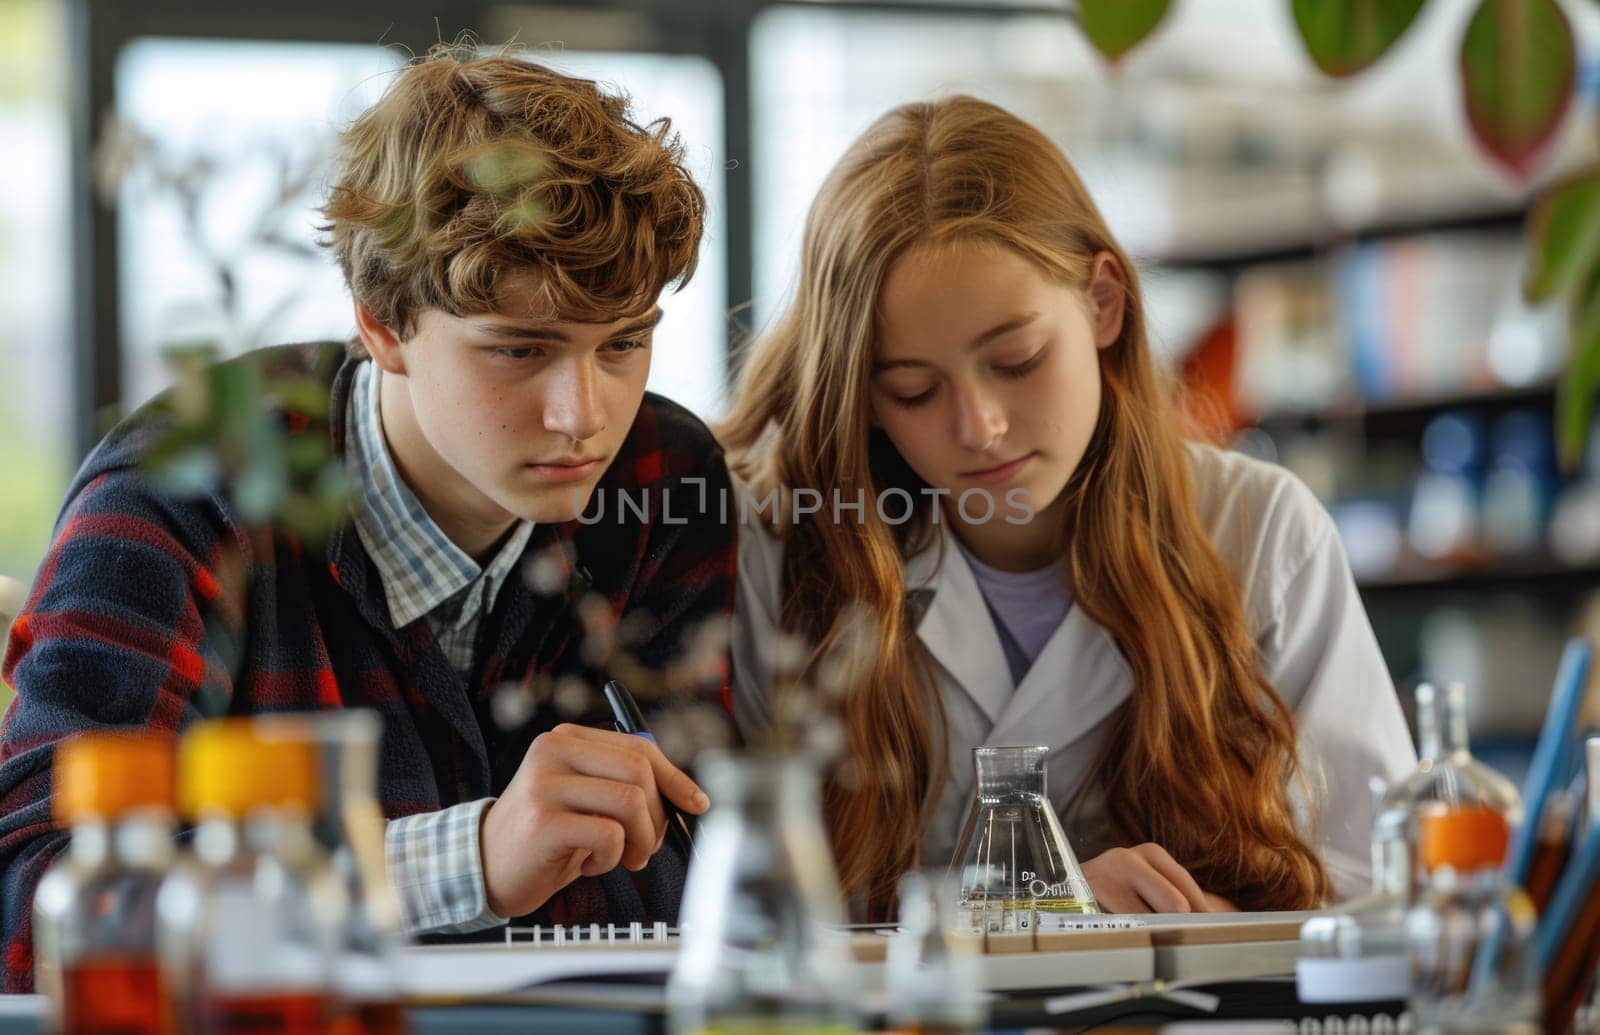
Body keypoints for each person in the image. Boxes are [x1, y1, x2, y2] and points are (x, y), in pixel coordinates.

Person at [0, 48, 736, 991]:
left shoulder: (662, 480)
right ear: (382, 323)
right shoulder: (185, 494)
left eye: (624, 344)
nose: (582, 415)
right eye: (519, 349)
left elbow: (700, 879)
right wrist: (467, 860)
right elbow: (38, 909)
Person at [721, 96, 1415, 918]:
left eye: (1016, 359)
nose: (978, 427)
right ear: (865, 396)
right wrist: (1037, 907)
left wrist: (1179, 931)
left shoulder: (1261, 533)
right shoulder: (783, 546)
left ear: (1103, 303)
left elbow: (1378, 901)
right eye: (913, 388)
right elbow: (745, 909)